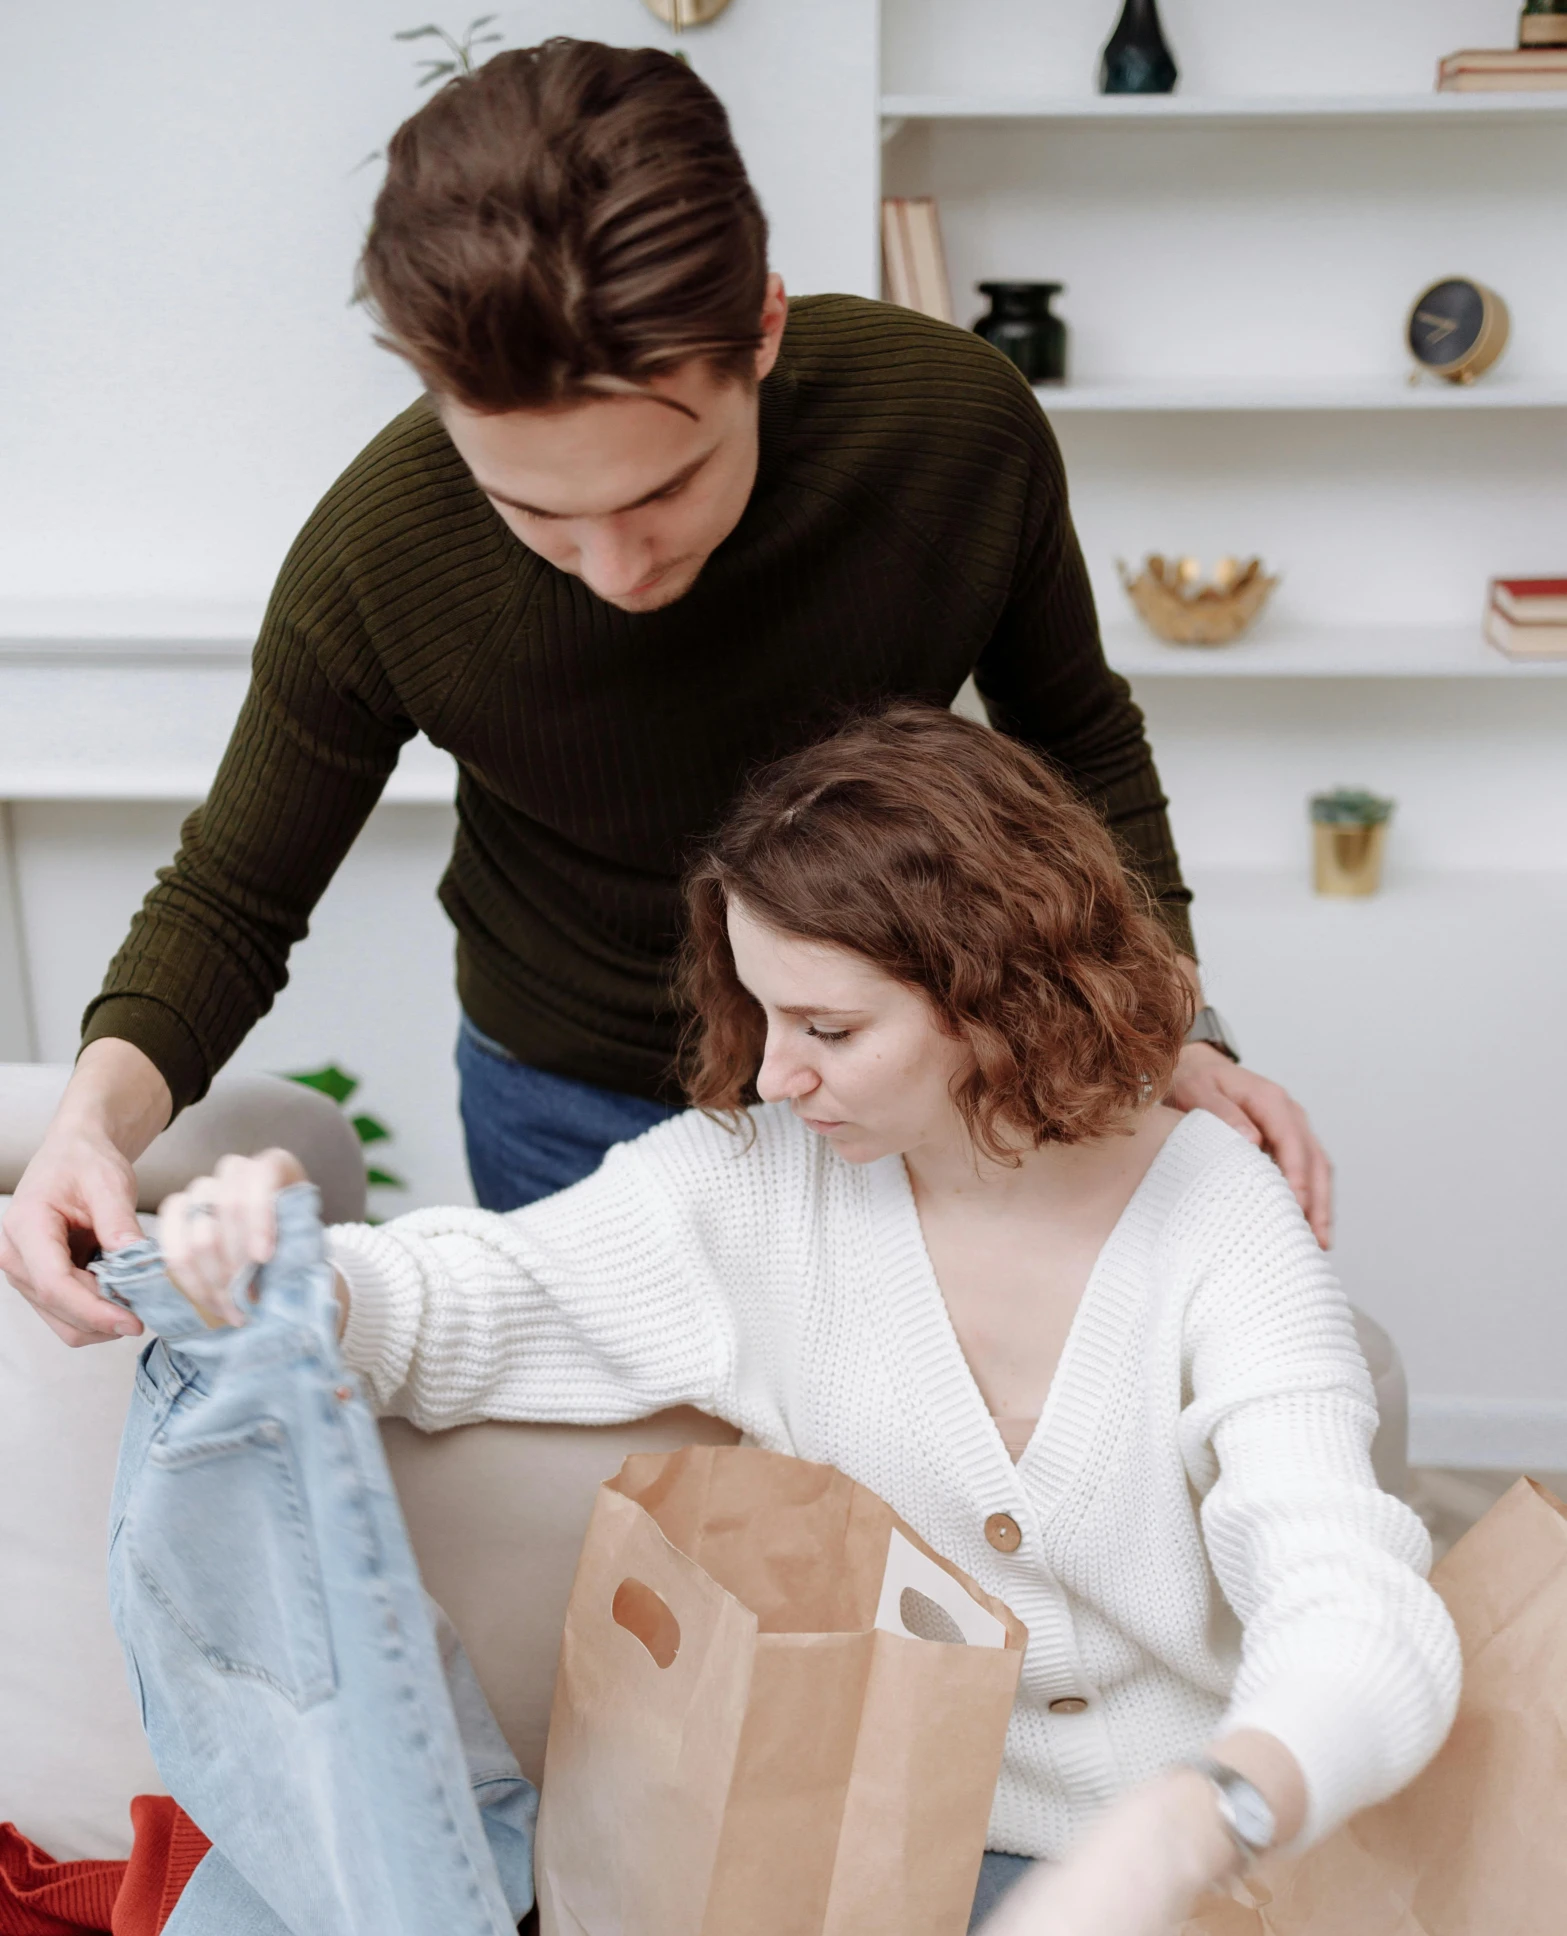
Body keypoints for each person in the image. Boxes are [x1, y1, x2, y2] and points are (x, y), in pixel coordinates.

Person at [151, 705, 1458, 1936]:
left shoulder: (1217, 1216)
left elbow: (1360, 1606)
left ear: (992, 994)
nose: (777, 1069)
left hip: (1232, 1816)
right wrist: (269, 1264)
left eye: (829, 1026)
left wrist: (1169, 1846)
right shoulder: (755, 1182)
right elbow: (465, 1299)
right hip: (943, 1825)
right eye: (762, 1010)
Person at [0, 37, 1331, 1353]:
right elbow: (234, 896)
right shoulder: (375, 554)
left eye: (661, 488)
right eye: (532, 508)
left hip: (911, 1081)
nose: (616, 567)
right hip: (566, 1101)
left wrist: (1173, 1032)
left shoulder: (955, 431)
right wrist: (88, 1125)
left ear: (761, 325)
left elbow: (1077, 736)